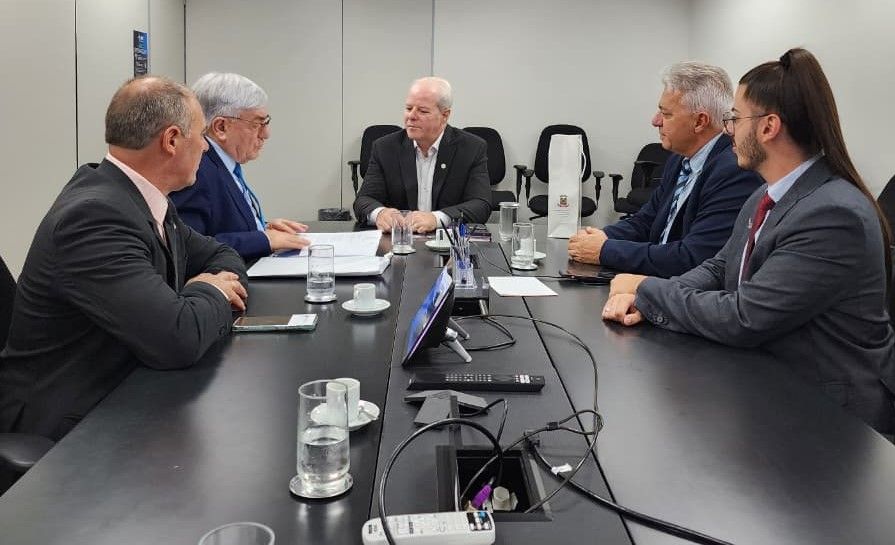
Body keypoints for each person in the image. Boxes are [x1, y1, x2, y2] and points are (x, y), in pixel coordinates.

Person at [603, 49, 895, 434]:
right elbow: (720, 266)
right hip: (768, 384)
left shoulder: (834, 215)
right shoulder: (766, 194)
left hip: (829, 417)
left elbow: (745, 316)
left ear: (768, 127)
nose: (728, 130)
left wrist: (649, 290)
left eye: (735, 119)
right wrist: (648, 298)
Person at [0, 76, 248, 440]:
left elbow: (223, 255)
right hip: (69, 423)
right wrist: (209, 289)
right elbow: (175, 339)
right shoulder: (94, 216)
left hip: (128, 387)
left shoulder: (144, 198)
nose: (207, 149)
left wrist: (200, 291)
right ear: (172, 140)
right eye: (201, 136)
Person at [568, 62, 762, 278]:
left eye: (666, 114)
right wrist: (596, 237)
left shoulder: (734, 171)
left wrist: (604, 250)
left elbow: (693, 258)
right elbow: (646, 221)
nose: (655, 121)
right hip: (653, 281)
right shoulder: (680, 158)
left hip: (679, 294)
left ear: (700, 121)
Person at [170, 72, 309, 260]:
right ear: (221, 127)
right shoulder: (196, 170)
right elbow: (188, 246)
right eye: (257, 123)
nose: (266, 134)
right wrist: (262, 240)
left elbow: (219, 223)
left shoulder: (221, 162)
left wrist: (260, 227)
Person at [353, 77, 491, 233]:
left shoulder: (471, 148)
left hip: (448, 245)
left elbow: (481, 205)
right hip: (398, 243)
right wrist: (379, 213)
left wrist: (436, 219)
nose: (411, 116)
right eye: (408, 108)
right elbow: (363, 200)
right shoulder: (385, 148)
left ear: (445, 115)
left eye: (422, 111)